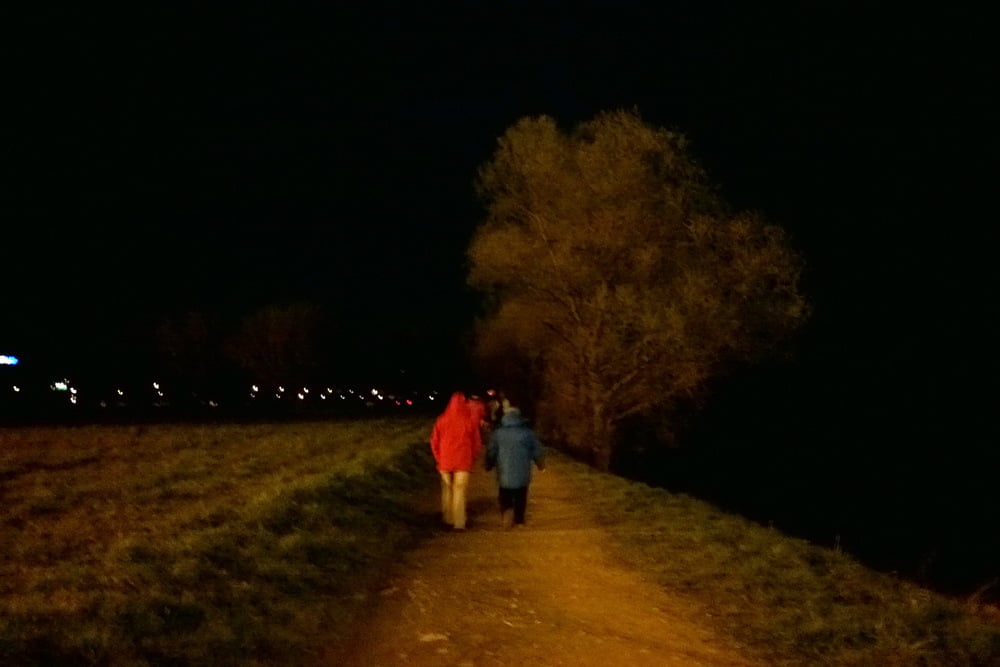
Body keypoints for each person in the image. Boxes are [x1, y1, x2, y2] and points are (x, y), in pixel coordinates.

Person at [485, 407, 545, 529]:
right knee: (520, 495)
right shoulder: (527, 433)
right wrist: (540, 464)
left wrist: (489, 464)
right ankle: (519, 520)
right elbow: (537, 450)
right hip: (522, 471)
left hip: (504, 470)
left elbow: (492, 451)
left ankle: (507, 511)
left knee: (504, 493)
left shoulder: (499, 434)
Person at [429, 392, 481, 531]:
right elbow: (476, 443)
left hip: (445, 461)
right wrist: (472, 458)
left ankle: (448, 519)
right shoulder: (469, 421)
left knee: (447, 490)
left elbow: (434, 441)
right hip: (463, 462)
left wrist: (439, 457)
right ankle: (459, 522)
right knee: (459, 491)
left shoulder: (441, 420)